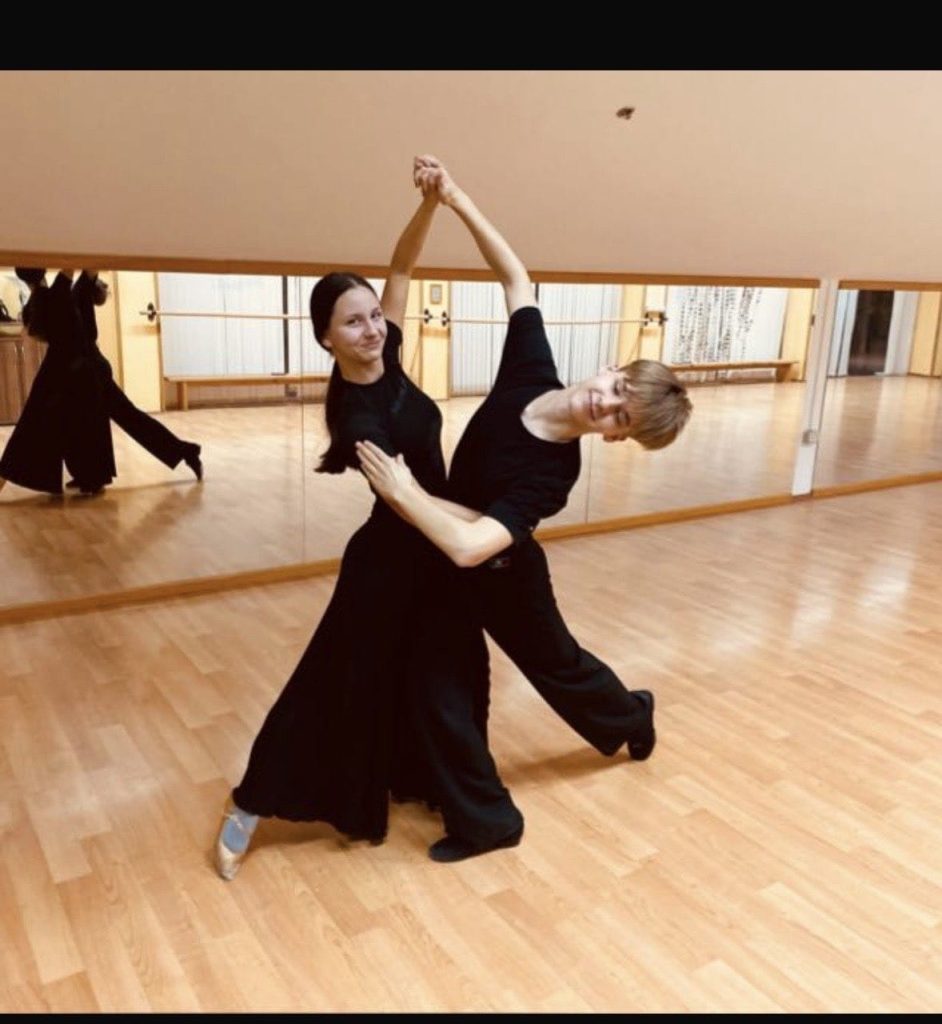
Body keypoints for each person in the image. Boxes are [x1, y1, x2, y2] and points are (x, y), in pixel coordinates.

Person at [356, 156, 693, 863]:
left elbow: (474, 545)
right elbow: (515, 277)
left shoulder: (554, 474)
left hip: (501, 573)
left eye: (621, 418)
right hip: (448, 547)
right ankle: (479, 816)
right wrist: (452, 197)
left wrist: (405, 494)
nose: (605, 404)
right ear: (611, 368)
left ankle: (631, 716)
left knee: (558, 669)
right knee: (436, 682)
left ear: (616, 438)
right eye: (616, 390)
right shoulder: (531, 370)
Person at [214, 165, 483, 880]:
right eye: (354, 322)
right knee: (333, 681)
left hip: (434, 549)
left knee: (428, 672)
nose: (372, 328)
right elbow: (409, 502)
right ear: (327, 338)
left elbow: (401, 267)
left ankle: (423, 779)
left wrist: (430, 204)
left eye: (373, 316)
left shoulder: (384, 352)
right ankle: (251, 801)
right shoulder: (359, 417)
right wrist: (497, 523)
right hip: (391, 562)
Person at [67, 270, 202, 491]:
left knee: (124, 419)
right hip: (90, 369)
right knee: (118, 419)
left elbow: (91, 267)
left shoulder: (80, 288)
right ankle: (89, 475)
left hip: (93, 370)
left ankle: (186, 451)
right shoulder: (76, 291)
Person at [0, 267, 113, 496]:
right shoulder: (57, 293)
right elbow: (70, 266)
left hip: (64, 369)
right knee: (78, 426)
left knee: (37, 427)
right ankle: (91, 479)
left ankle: (89, 479)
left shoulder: (38, 301)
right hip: (74, 371)